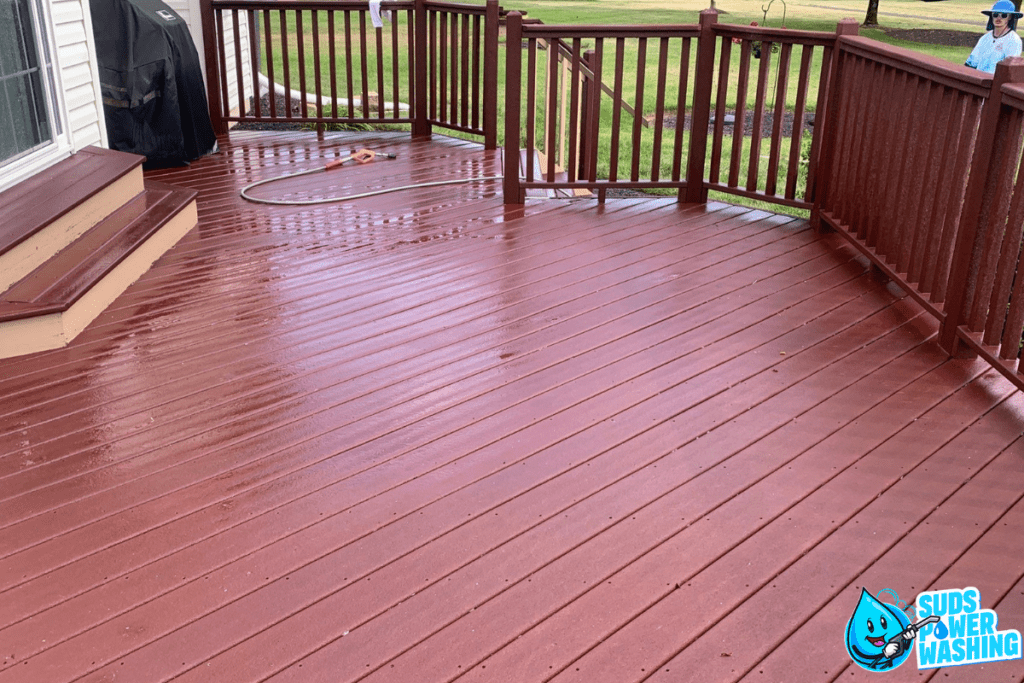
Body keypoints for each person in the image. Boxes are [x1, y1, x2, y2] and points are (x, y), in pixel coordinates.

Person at [966, 0, 1023, 73]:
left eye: (1004, 15)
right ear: (991, 16)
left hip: (996, 82)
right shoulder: (985, 38)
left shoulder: (1014, 40)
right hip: (979, 79)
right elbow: (971, 63)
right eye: (995, 15)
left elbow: (1009, 70)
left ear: (1009, 17)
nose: (999, 18)